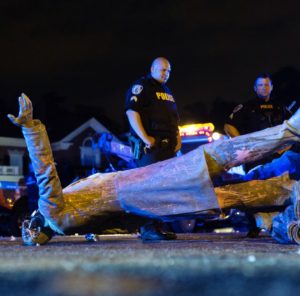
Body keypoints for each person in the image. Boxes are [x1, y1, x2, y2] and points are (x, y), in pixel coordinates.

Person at [7, 94, 300, 246]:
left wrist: (148, 228)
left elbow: (115, 220)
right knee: (213, 157)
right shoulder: (53, 213)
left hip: (141, 200)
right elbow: (45, 171)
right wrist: (31, 128)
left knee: (223, 197)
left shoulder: (64, 221)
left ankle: (287, 189)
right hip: (135, 187)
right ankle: (289, 133)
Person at [125, 57, 181, 240]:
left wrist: (177, 138)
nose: (166, 74)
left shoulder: (166, 90)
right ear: (152, 69)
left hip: (167, 147)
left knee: (164, 188)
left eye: (169, 71)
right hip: (151, 147)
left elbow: (173, 118)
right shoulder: (142, 86)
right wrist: (145, 138)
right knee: (149, 187)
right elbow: (132, 112)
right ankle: (148, 228)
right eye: (162, 70)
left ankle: (157, 226)